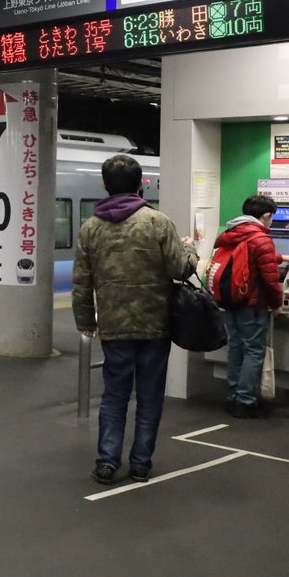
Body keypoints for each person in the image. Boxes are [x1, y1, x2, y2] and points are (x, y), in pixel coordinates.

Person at [73, 154, 198, 485]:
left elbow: (81, 282)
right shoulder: (158, 222)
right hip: (155, 324)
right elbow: (180, 269)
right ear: (141, 183)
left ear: (104, 185)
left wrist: (85, 320)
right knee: (150, 396)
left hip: (114, 326)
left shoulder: (90, 228)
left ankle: (107, 463)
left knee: (114, 396)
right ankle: (141, 463)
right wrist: (191, 249)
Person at [214, 195, 289, 418]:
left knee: (236, 348)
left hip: (231, 301)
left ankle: (233, 396)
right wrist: (277, 305)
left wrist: (280, 257)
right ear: (266, 215)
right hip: (252, 305)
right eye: (272, 217)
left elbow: (251, 256)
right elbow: (271, 280)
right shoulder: (261, 238)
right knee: (254, 351)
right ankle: (246, 401)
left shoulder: (231, 233)